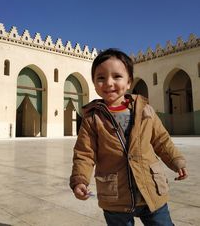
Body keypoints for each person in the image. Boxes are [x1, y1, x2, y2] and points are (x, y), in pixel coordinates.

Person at [69, 48, 188, 226]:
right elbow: (84, 154)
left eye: (117, 76)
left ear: (128, 82)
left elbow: (161, 140)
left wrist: (176, 160)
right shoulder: (92, 118)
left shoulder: (145, 110)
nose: (108, 83)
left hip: (151, 191)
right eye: (101, 78)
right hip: (115, 197)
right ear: (94, 83)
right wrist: (80, 180)